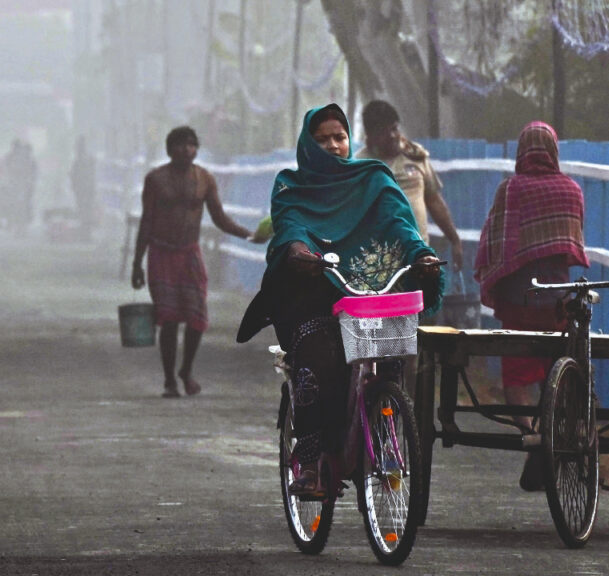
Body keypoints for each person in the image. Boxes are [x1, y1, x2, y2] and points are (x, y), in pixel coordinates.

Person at [236, 103, 443, 496]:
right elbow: (291, 224)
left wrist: (421, 255)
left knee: (392, 360)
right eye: (322, 139)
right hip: (311, 292)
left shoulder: (374, 178)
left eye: (339, 136)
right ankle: (311, 464)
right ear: (308, 145)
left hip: (368, 292)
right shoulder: (291, 185)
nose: (333, 145)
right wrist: (299, 251)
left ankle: (383, 435)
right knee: (319, 358)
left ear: (350, 139)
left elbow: (399, 224)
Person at [474, 121, 588, 492]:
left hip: (519, 301)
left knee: (517, 374)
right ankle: (554, 427)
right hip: (557, 301)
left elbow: (498, 243)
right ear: (553, 150)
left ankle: (531, 435)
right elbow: (571, 245)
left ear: (521, 151)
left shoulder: (511, 190)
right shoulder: (571, 190)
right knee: (556, 364)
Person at [131, 126, 252, 398]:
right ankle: (169, 380)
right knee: (169, 319)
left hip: (189, 254)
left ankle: (186, 370)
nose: (186, 150)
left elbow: (219, 217)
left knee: (197, 316)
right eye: (180, 145)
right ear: (169, 149)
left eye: (191, 145)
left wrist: (248, 234)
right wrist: (137, 263)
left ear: (197, 148)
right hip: (161, 254)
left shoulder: (205, 179)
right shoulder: (155, 179)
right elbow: (147, 221)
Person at [356, 99, 463, 270]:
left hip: (419, 257)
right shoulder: (359, 165)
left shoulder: (415, 156)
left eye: (394, 128)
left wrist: (455, 240)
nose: (392, 135)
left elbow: (434, 200)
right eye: (384, 132)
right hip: (378, 261)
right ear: (371, 137)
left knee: (422, 297)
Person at [70, 135, 97, 232]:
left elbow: (75, 175)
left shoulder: (83, 160)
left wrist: (75, 185)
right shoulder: (85, 160)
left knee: (85, 210)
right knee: (84, 210)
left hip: (84, 190)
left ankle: (86, 230)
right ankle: (85, 230)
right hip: (84, 190)